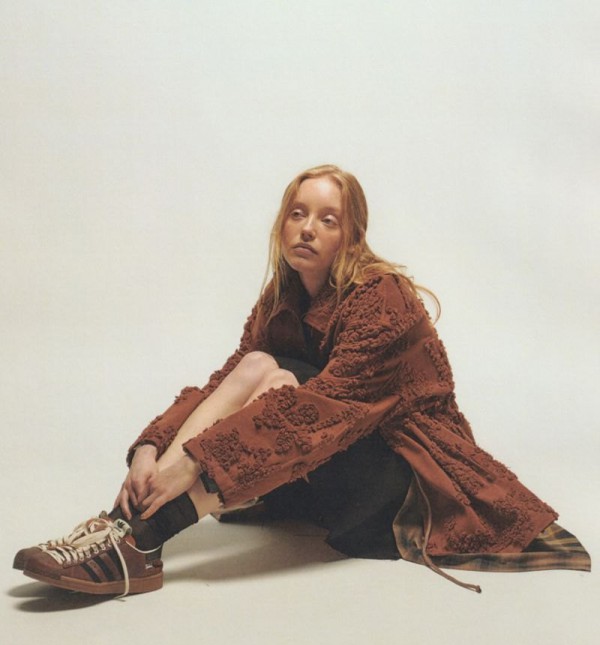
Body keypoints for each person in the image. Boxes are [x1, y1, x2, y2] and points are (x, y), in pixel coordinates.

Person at [13, 165, 590, 596]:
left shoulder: (382, 298)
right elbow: (224, 383)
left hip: (402, 484)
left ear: (351, 235)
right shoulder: (282, 297)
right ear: (282, 223)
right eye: (297, 213)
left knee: (284, 387)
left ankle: (143, 538)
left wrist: (193, 463)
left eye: (327, 219)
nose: (308, 228)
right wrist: (152, 447)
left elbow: (322, 414)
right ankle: (119, 523)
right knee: (258, 367)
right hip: (322, 474)